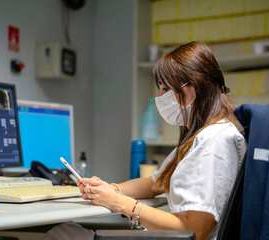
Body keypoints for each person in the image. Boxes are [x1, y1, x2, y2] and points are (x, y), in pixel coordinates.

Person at [77, 41, 247, 240]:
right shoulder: (202, 136)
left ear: (194, 87)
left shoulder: (213, 143)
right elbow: (155, 183)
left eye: (165, 88)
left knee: (63, 233)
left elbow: (196, 231)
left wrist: (118, 203)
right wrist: (110, 189)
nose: (159, 96)